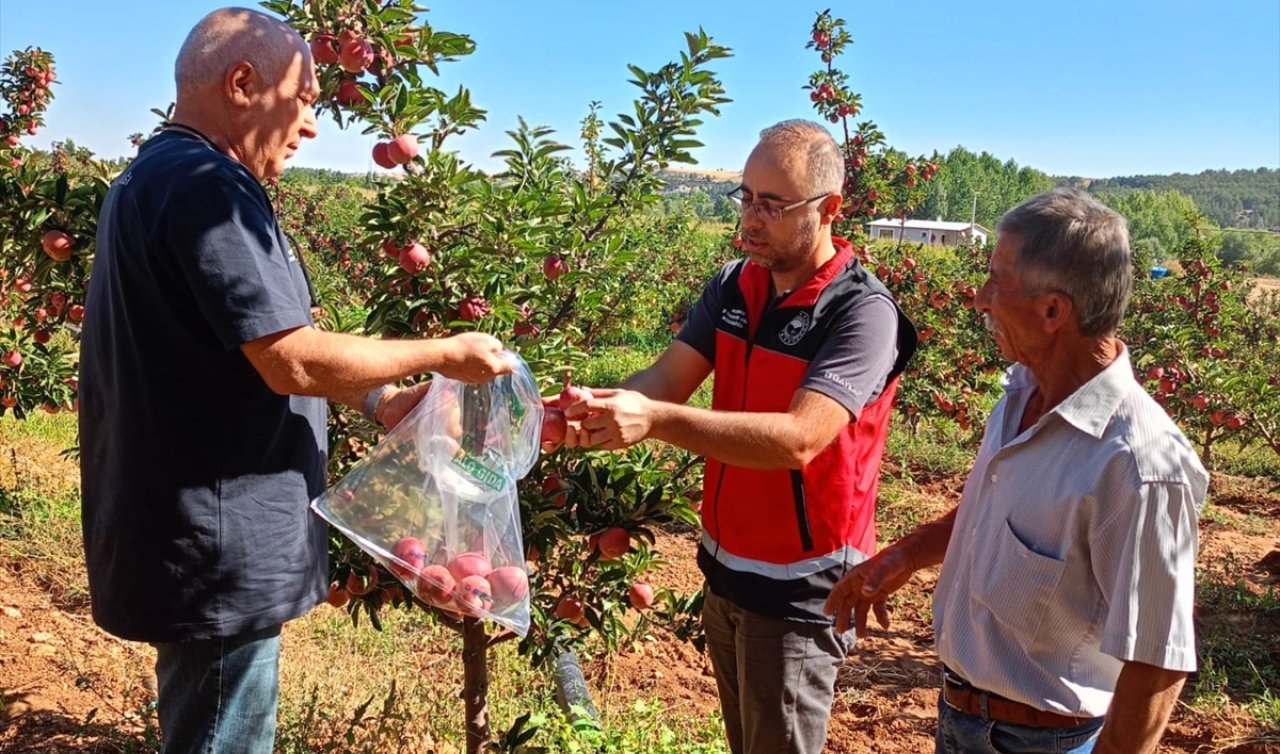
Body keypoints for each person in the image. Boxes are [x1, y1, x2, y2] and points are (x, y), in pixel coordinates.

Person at [78, 9, 511, 754]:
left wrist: (382, 399)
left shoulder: (154, 177)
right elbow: (292, 358)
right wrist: (442, 351)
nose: (311, 124)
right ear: (242, 83)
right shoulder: (208, 188)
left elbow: (239, 350)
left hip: (186, 528)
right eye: (305, 98)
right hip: (217, 541)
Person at [562, 119, 917, 754]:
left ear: (829, 209)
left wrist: (657, 422)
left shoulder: (860, 313)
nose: (751, 219)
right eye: (747, 198)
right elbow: (666, 379)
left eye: (773, 205)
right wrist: (587, 408)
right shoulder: (735, 284)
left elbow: (799, 439)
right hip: (725, 570)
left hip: (801, 591)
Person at [824, 187, 1208, 754]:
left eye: (997, 281)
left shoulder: (1139, 465)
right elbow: (998, 513)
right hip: (962, 719)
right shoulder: (1022, 393)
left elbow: (1157, 663)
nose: (980, 299)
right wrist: (905, 555)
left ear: (1053, 310)